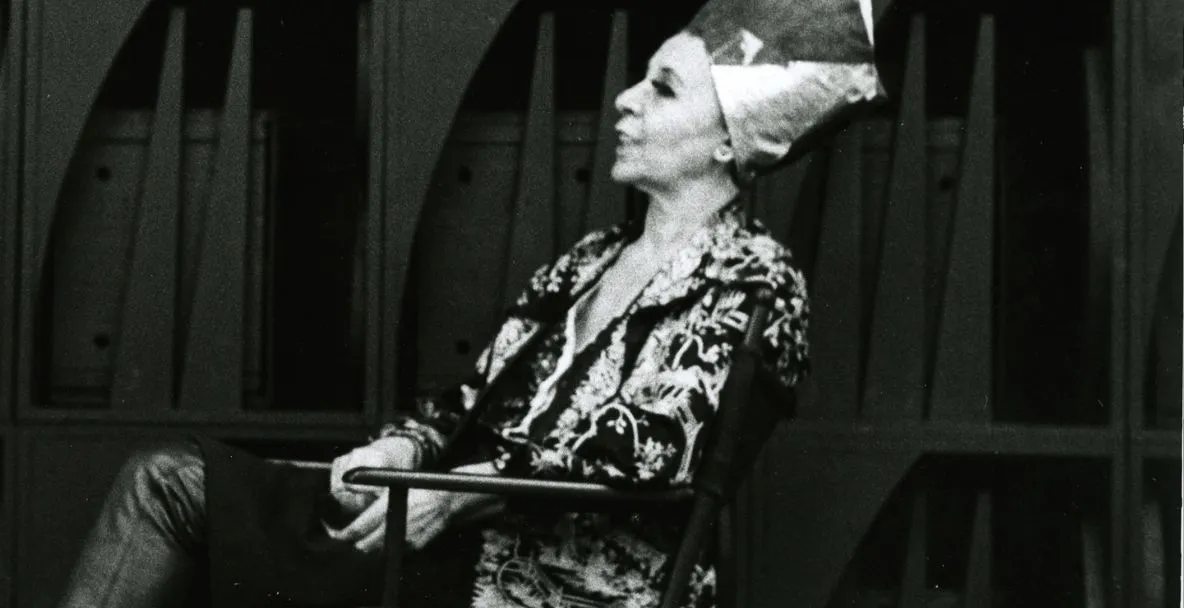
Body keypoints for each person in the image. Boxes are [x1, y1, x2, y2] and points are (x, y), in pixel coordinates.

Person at [57, 0, 883, 606]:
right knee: (165, 480)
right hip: (450, 532)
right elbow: (462, 404)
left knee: (173, 490)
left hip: (553, 585)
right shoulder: (588, 263)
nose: (626, 100)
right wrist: (403, 454)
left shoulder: (756, 281)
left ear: (727, 142)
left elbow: (652, 448)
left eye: (662, 90)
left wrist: (455, 493)